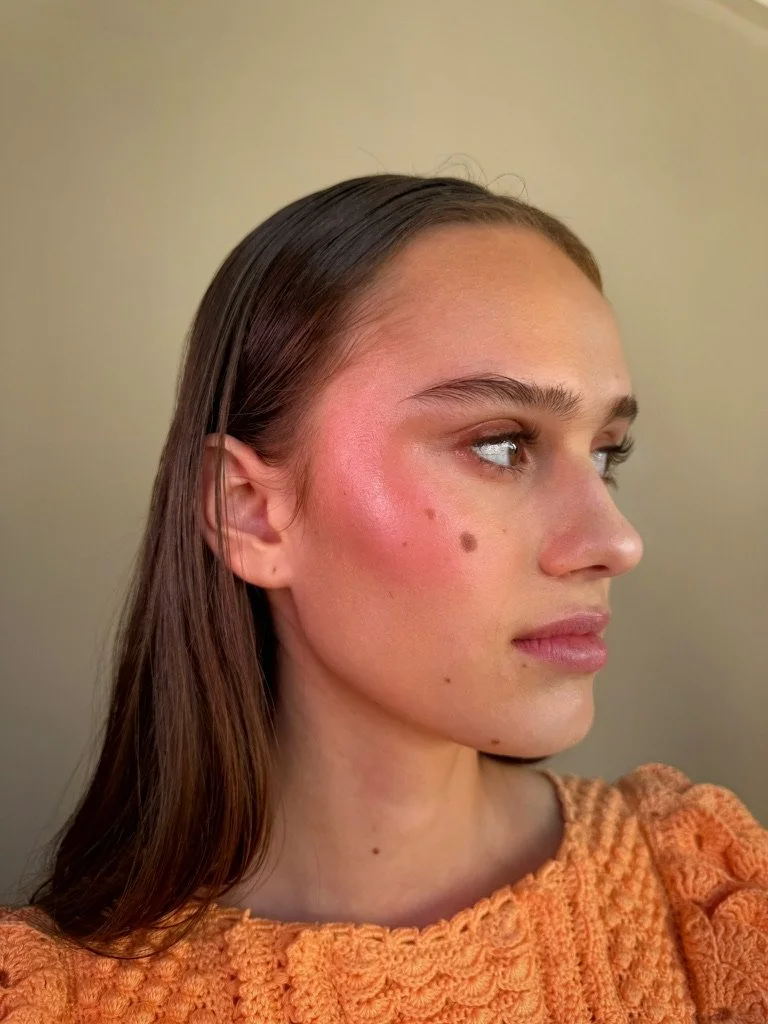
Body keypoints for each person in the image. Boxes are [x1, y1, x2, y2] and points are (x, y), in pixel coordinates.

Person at [1, 174, 766, 1023]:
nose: (617, 542)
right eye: (503, 444)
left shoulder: (711, 892)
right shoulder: (55, 999)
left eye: (605, 453)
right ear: (250, 512)